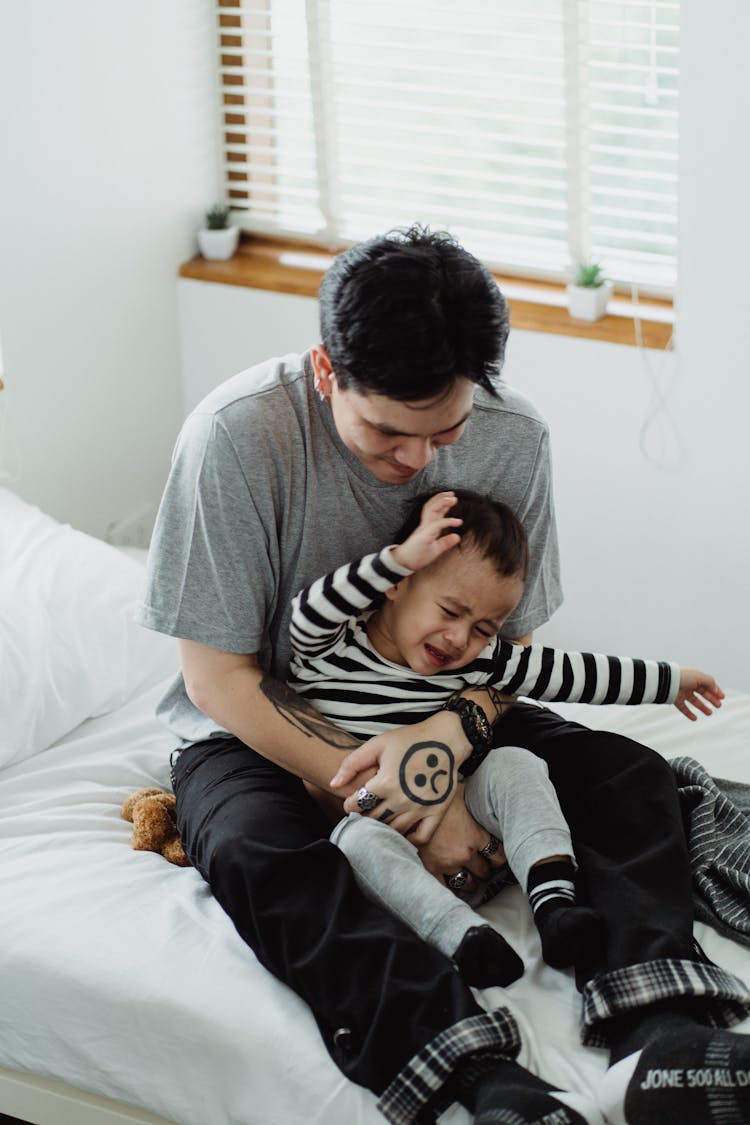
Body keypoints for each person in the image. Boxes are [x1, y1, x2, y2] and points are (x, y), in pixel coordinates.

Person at [138, 225, 750, 1125]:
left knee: (631, 775)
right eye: (387, 432)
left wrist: (444, 740)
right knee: (254, 853)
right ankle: (478, 1076)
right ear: (324, 371)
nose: (418, 462)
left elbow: (516, 655)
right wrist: (410, 795)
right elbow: (218, 678)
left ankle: (654, 1031)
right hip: (264, 725)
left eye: (446, 430)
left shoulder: (514, 438)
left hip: (438, 707)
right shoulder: (236, 439)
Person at [288, 487, 724, 992]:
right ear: (397, 584)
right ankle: (467, 940)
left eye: (483, 627)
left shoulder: (479, 659)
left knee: (514, 761)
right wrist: (399, 558)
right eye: (449, 611)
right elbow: (309, 610)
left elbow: (573, 673)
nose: (459, 639)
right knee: (355, 840)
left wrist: (672, 683)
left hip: (479, 835)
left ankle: (554, 900)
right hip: (393, 848)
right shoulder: (332, 644)